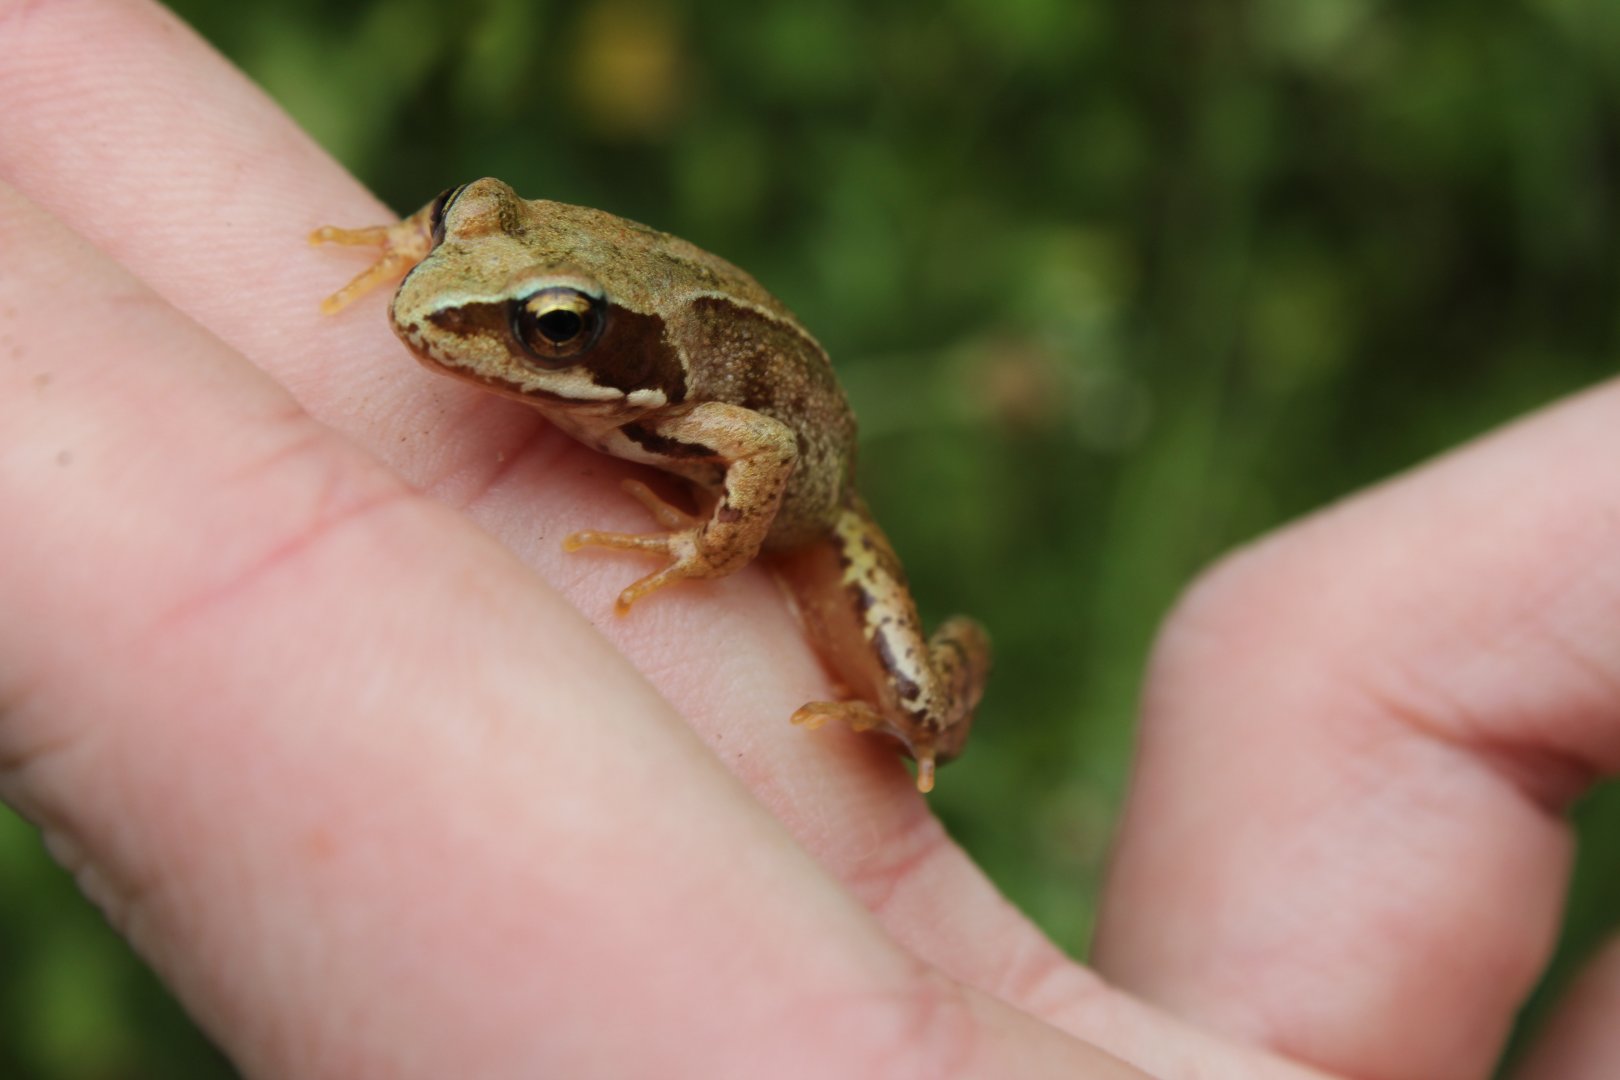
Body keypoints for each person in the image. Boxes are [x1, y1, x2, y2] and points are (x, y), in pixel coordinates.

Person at [0, 2, 1611, 1077]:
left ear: (598, 344)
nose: (487, 326)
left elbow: (767, 445)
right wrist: (422, 238)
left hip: (816, 520)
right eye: (499, 283)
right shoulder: (491, 267)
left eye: (548, 330)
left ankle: (942, 689)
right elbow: (480, 207)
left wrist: (708, 553)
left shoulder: (706, 413)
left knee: (918, 712)